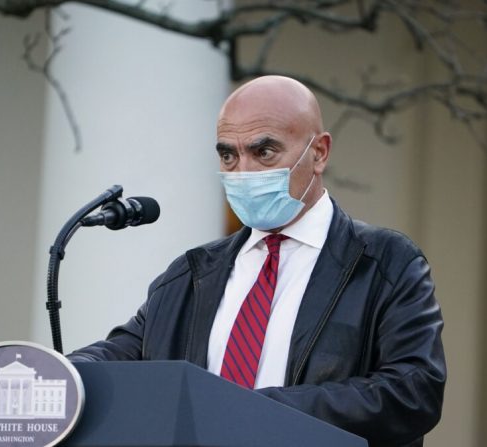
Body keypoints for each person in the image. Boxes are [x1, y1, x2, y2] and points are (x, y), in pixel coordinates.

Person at [68, 76, 446, 447]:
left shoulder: (385, 263)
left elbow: (413, 391)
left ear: (319, 153)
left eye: (263, 152)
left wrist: (256, 410)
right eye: (229, 155)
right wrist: (53, 373)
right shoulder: (190, 275)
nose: (243, 172)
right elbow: (118, 357)